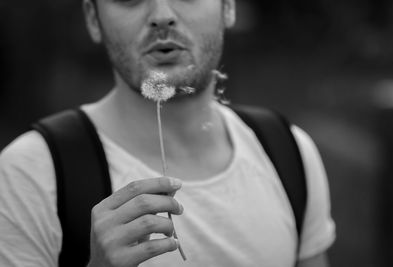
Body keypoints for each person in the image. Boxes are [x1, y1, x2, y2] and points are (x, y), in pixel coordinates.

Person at [0, 0, 336, 266]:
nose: (161, 15)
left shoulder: (290, 153)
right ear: (92, 18)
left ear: (228, 6)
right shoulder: (28, 176)